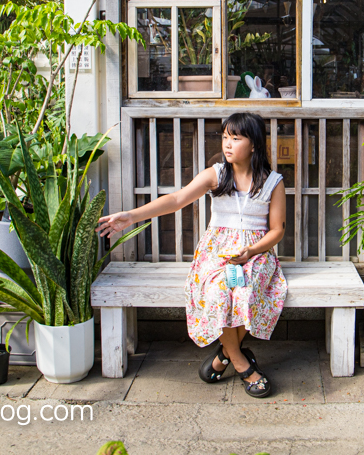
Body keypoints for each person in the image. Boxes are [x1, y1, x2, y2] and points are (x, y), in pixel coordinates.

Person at [96, 112, 287, 397]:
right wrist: (130, 216)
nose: (228, 144)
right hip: (217, 251)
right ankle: (242, 364)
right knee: (220, 291)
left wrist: (250, 251)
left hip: (256, 253)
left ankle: (223, 356)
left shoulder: (273, 182)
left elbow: (277, 230)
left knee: (246, 292)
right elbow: (175, 200)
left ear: (255, 144)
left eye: (236, 138)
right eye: (225, 137)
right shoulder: (216, 174)